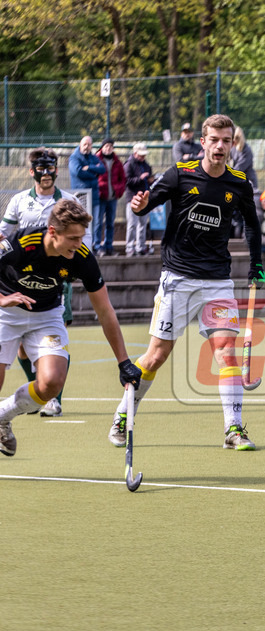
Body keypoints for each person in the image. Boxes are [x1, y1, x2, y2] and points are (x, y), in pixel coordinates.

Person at [108, 113, 264, 451]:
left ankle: (234, 429)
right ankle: (124, 413)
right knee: (156, 356)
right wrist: (138, 206)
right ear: (203, 142)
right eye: (214, 140)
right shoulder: (180, 174)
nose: (220, 146)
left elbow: (252, 224)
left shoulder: (238, 183)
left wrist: (256, 263)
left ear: (231, 143)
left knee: (225, 353)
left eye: (226, 141)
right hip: (177, 279)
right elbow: (146, 205)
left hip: (217, 282)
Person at [0, 200, 141, 455]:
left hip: (47, 315)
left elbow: (104, 310)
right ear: (53, 232)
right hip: (5, 312)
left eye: (81, 237)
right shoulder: (21, 244)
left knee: (52, 382)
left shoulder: (82, 258)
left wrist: (124, 362)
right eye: (73, 238)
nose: (78, 244)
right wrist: (2, 300)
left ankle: (2, 416)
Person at [1, 148, 85, 417]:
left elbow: (82, 243)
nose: (46, 173)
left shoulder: (69, 201)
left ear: (57, 170)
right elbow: (3, 236)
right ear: (31, 171)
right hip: (21, 282)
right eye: (40, 167)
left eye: (50, 168)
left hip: (55, 283)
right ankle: (35, 390)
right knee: (25, 346)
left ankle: (53, 399)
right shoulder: (19, 201)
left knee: (56, 339)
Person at [68, 135, 105, 245]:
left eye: (89, 145)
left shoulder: (93, 157)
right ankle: (82, 245)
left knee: (97, 222)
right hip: (81, 196)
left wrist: (89, 167)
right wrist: (94, 172)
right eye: (85, 144)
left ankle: (95, 246)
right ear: (80, 144)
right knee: (81, 222)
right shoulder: (74, 158)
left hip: (94, 196)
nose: (87, 147)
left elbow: (102, 169)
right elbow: (78, 172)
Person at [95, 138, 126, 256]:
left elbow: (122, 178)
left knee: (110, 223)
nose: (108, 149)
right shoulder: (96, 159)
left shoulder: (117, 161)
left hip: (112, 197)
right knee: (98, 223)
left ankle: (109, 246)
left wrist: (119, 190)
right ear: (102, 147)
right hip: (100, 197)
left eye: (110, 146)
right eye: (106, 146)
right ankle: (97, 246)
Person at [123, 143, 153, 256]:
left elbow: (149, 179)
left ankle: (141, 247)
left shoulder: (146, 165)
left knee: (142, 224)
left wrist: (150, 180)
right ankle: (129, 247)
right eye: (141, 155)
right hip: (132, 198)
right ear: (135, 153)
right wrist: (140, 178)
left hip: (144, 199)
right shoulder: (128, 165)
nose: (143, 157)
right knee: (132, 224)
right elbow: (127, 181)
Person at [230, 126, 259, 239]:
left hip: (249, 182)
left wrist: (227, 173)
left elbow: (239, 168)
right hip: (237, 183)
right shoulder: (233, 149)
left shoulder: (246, 150)